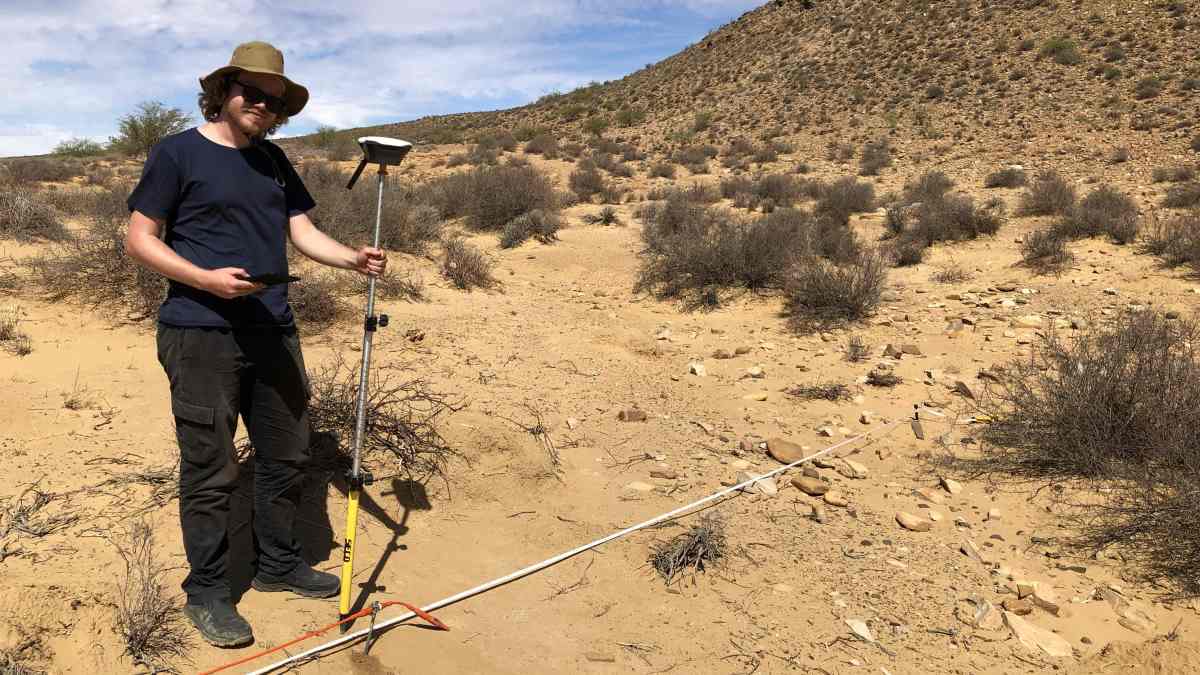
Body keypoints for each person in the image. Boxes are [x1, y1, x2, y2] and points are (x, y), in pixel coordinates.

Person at [123, 41, 387, 648]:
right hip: (200, 332)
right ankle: (210, 591)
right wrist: (203, 278)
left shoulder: (273, 162)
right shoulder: (176, 152)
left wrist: (351, 258)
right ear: (224, 92)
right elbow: (141, 238)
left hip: (273, 328)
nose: (262, 105)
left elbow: (301, 229)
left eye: (274, 101)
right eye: (252, 93)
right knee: (211, 468)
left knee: (287, 454)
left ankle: (277, 565)